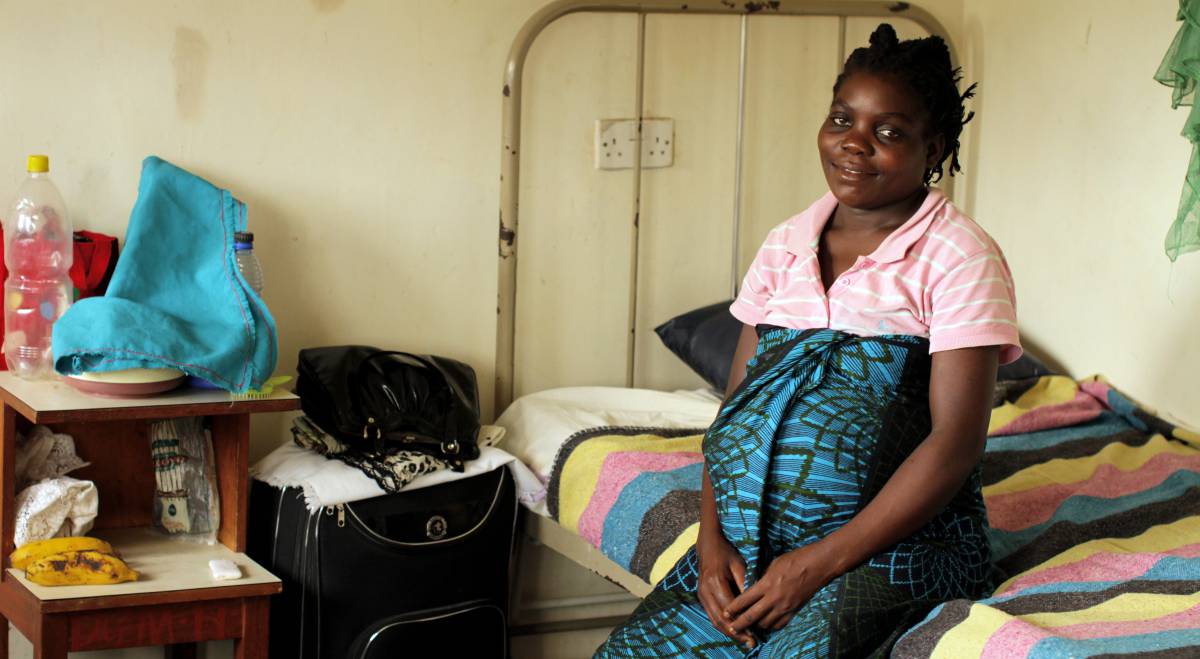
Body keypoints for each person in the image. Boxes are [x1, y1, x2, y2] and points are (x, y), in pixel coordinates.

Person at [595, 23, 1021, 658]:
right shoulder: (785, 244)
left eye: (889, 131)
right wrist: (712, 549)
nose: (854, 144)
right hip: (748, 542)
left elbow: (954, 445)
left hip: (895, 551)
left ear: (933, 148)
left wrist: (813, 566)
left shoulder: (960, 255)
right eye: (841, 119)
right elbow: (735, 413)